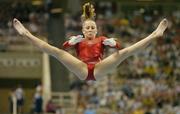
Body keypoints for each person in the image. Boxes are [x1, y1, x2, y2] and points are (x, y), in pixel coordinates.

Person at [13, 3, 168, 81]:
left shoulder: (101, 39)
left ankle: (154, 34)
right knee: (56, 52)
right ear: (83, 29)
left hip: (99, 68)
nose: (89, 30)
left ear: (96, 30)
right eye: (87, 27)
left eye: (92, 27)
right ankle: (26, 34)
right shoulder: (78, 39)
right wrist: (71, 42)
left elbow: (119, 47)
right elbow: (63, 49)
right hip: (82, 69)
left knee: (125, 53)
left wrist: (113, 44)